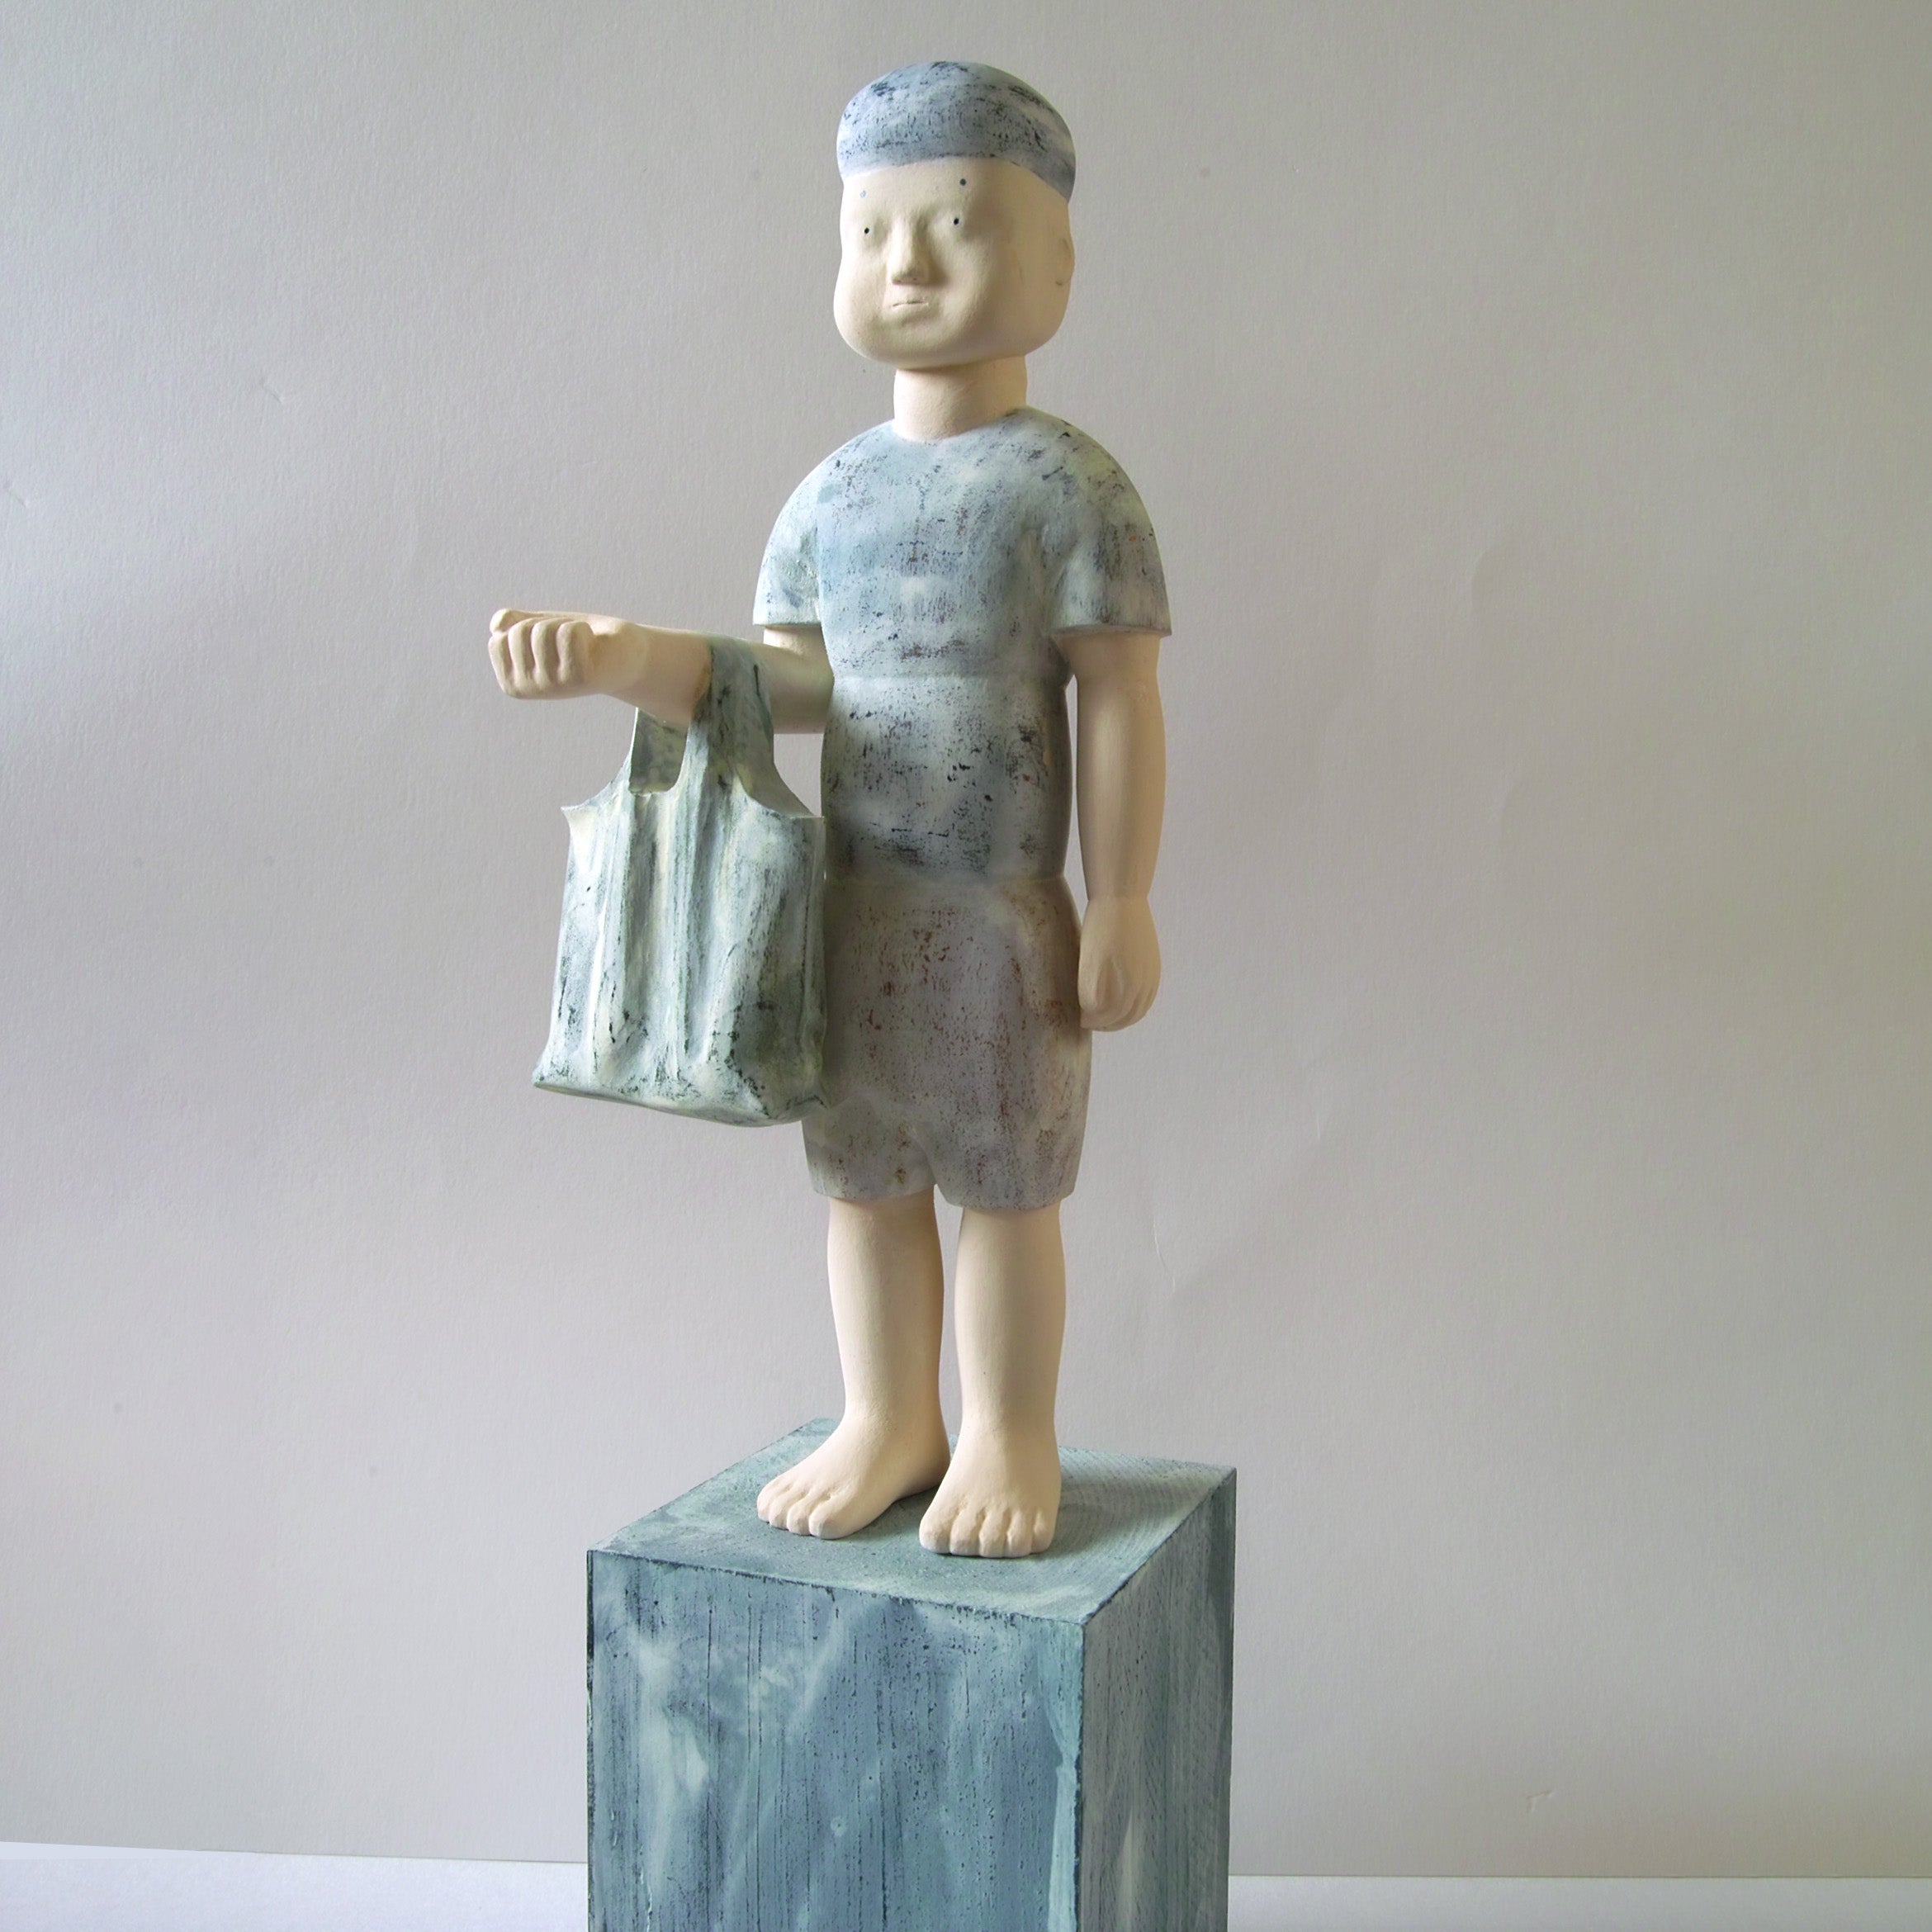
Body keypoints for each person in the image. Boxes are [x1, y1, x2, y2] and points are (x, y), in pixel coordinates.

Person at [489, 62, 1169, 1557]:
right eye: (870, 232)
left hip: (1000, 915)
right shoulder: (831, 497)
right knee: (864, 1183)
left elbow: (1117, 693)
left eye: (956, 225)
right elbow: (788, 683)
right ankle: (889, 1415)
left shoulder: (1072, 490)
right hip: (852, 909)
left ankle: (1007, 1430)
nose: (905, 263)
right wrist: (628, 658)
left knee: (1007, 1185)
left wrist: (1119, 897)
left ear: (1057, 261)